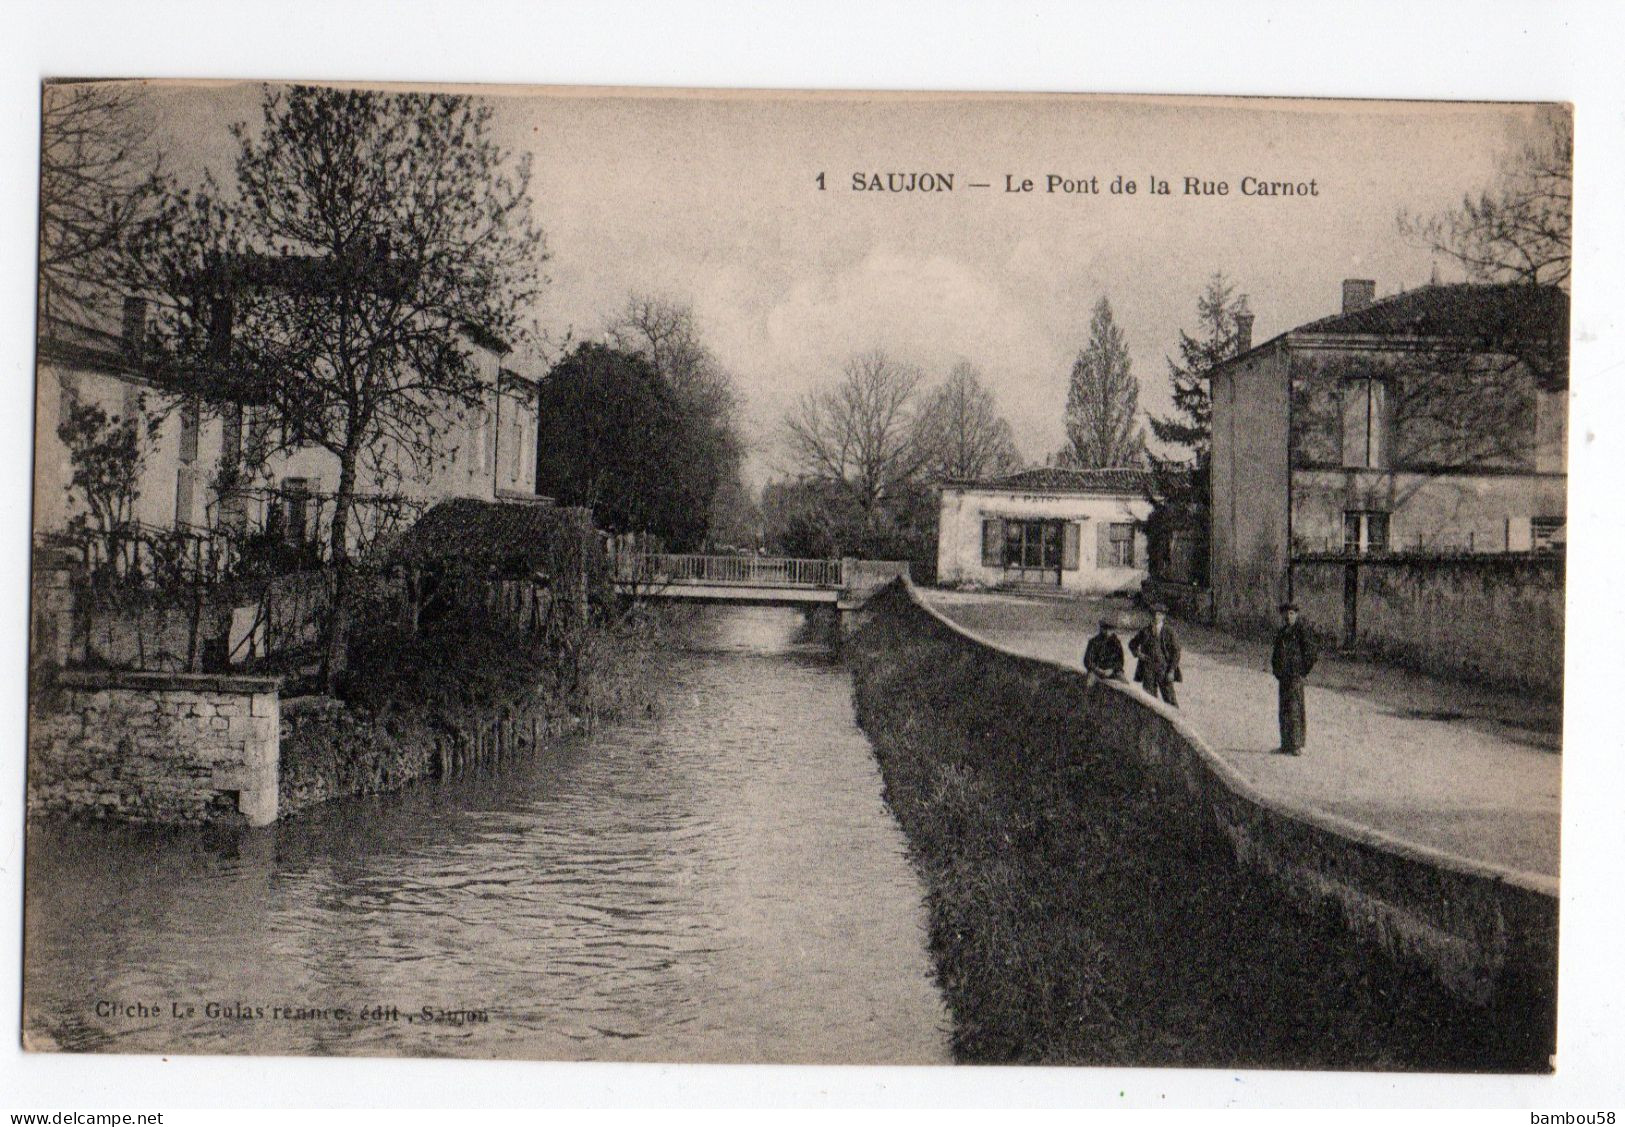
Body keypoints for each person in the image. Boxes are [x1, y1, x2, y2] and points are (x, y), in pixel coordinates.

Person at [1271, 601, 1317, 755]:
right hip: (1284, 676)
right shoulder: (1282, 632)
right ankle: (1285, 744)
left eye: (1292, 613)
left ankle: (1296, 745)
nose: (1289, 616)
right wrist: (1276, 670)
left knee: (1295, 709)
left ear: (1296, 615)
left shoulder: (1301, 631)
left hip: (1295, 675)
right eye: (1286, 613)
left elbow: (1311, 653)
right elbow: (1276, 654)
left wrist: (1302, 671)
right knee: (1284, 709)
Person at [1129, 603, 1181, 706]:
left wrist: (1171, 670)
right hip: (1148, 668)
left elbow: (1176, 652)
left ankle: (1174, 721)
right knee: (1149, 699)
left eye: (1159, 614)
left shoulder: (1169, 631)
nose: (1156, 616)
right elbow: (1132, 644)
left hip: (1164, 668)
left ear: (1163, 616)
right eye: (1154, 614)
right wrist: (1138, 654)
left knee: (1170, 698)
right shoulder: (1145, 631)